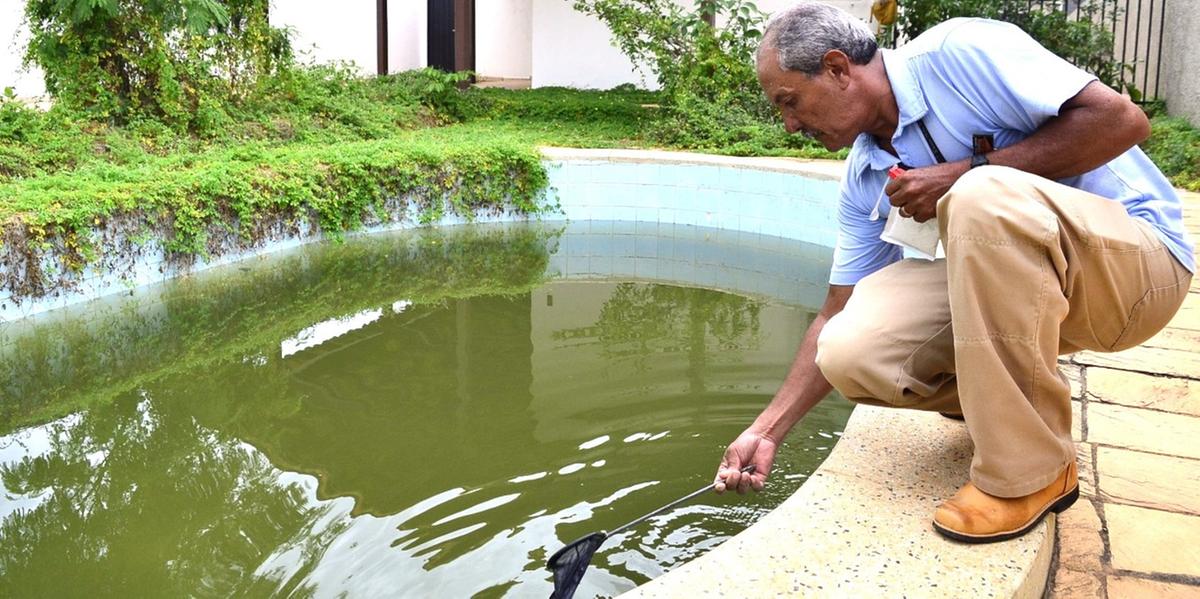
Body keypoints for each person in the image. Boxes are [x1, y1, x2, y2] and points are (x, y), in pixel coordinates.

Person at [714, 1, 1194, 544]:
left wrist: (964, 173)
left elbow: (1124, 121)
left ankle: (1028, 476)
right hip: (1046, 300)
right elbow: (836, 309)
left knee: (980, 195)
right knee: (852, 351)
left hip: (1138, 268)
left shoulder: (959, 53)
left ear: (838, 68)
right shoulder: (867, 174)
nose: (790, 124)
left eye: (789, 101)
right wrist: (767, 429)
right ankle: (1014, 410)